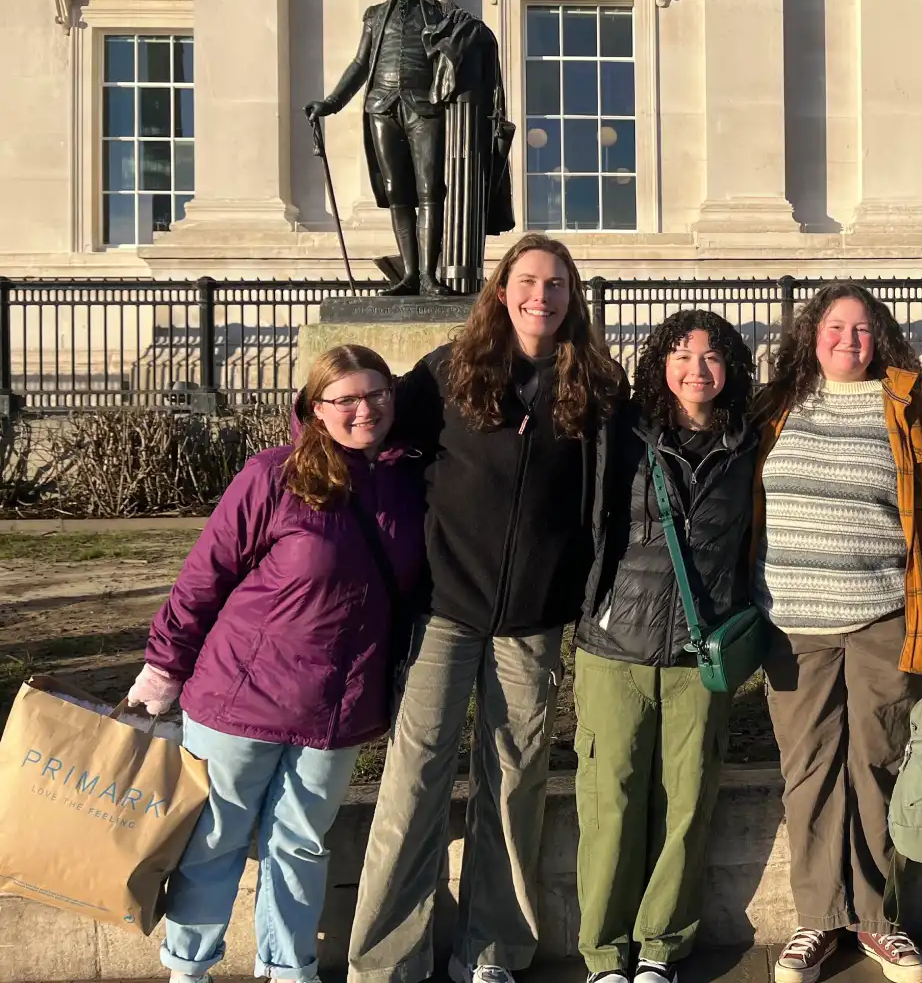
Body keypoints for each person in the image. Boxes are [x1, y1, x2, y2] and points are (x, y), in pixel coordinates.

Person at [346, 233, 625, 983]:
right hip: (444, 608)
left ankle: (494, 949)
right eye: (529, 280)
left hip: (534, 620)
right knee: (415, 778)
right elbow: (365, 429)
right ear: (501, 291)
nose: (543, 295)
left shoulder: (595, 384)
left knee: (514, 780)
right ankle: (386, 960)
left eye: (558, 283)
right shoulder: (447, 370)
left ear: (573, 297)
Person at [128, 344, 426, 983]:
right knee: (215, 839)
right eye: (344, 399)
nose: (363, 409)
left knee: (301, 844)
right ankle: (188, 968)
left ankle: (289, 970)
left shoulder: (408, 484)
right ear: (316, 409)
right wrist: (162, 669)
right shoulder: (274, 475)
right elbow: (203, 578)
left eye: (376, 394)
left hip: (337, 708)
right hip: (242, 696)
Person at [753, 283, 922, 983]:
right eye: (835, 326)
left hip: (882, 618)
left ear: (878, 339)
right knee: (809, 771)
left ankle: (877, 919)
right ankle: (817, 919)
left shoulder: (908, 409)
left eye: (862, 329)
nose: (848, 339)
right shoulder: (775, 408)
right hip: (793, 625)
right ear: (811, 334)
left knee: (878, 762)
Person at [575, 310, 762, 983]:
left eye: (712, 357)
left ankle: (660, 946)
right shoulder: (623, 433)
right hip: (614, 644)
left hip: (699, 652)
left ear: (732, 368)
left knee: (687, 802)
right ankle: (603, 950)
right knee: (610, 799)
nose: (696, 369)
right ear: (659, 362)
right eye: (682, 354)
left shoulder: (749, 443)